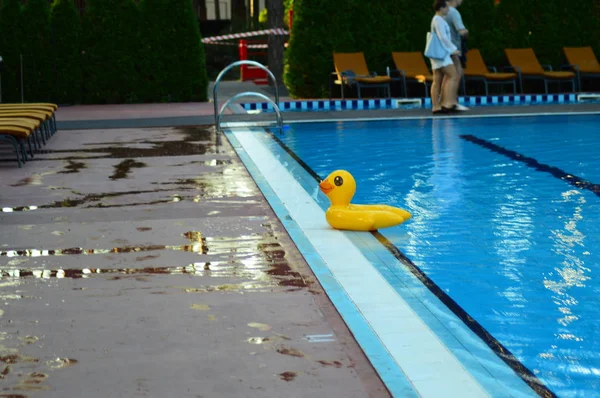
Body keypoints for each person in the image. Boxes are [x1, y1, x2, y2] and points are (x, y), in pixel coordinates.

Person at [428, 0, 463, 114]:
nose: (448, 9)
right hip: (441, 55)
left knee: (437, 79)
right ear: (441, 8)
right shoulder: (438, 20)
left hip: (438, 54)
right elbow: (443, 37)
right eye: (446, 7)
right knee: (453, 75)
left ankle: (436, 106)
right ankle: (446, 103)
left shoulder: (437, 19)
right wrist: (454, 50)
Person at [445, 0, 469, 110]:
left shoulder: (443, 12)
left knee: (448, 76)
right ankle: (452, 102)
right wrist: (466, 32)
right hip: (453, 48)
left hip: (445, 48)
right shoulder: (454, 12)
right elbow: (461, 31)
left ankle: (446, 101)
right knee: (457, 74)